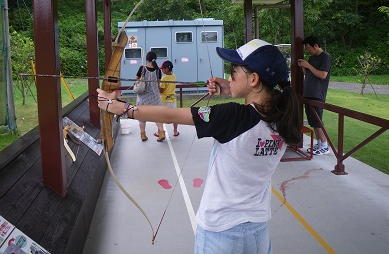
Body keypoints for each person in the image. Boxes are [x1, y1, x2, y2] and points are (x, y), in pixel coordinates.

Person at [98, 39, 301, 254]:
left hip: (221, 232)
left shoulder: (233, 117)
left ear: (253, 79)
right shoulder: (285, 117)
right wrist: (230, 88)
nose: (229, 75)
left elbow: (168, 114)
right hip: (258, 231)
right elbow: (258, 107)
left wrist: (120, 107)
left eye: (234, 72)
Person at [298, 35, 331, 155]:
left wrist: (308, 66)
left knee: (318, 121)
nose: (308, 50)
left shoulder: (325, 57)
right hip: (308, 93)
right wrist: (303, 67)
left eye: (308, 48)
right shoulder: (312, 58)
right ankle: (319, 144)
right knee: (312, 121)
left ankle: (325, 145)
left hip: (318, 94)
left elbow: (323, 75)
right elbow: (308, 73)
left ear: (316, 45)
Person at [135, 51, 165, 142]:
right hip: (155, 97)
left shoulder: (142, 68)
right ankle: (161, 133)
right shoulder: (158, 70)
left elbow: (137, 79)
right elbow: (159, 83)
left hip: (143, 97)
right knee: (157, 115)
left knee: (142, 117)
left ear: (147, 59)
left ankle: (143, 135)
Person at [158, 60, 179, 137]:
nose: (162, 70)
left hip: (164, 100)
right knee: (175, 116)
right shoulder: (174, 76)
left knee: (161, 116)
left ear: (167, 69)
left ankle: (159, 131)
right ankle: (175, 131)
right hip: (173, 99)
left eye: (163, 68)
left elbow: (162, 90)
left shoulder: (164, 78)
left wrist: (158, 85)